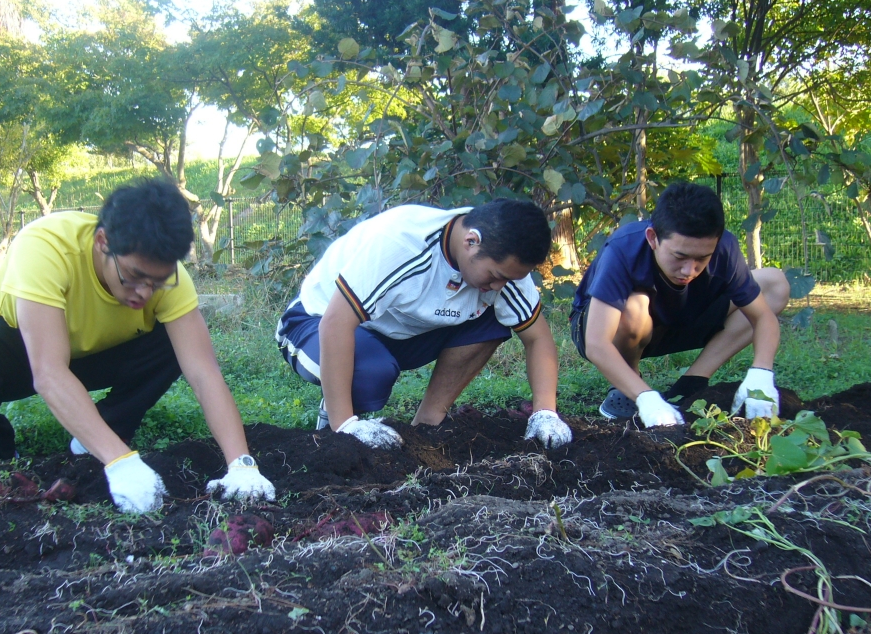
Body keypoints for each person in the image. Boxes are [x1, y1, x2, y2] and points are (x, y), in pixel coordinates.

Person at [0, 179, 274, 512]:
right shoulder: (45, 246)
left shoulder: (166, 277)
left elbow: (203, 373)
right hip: (24, 350)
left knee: (177, 341)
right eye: (135, 277)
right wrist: (121, 463)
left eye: (158, 282)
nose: (145, 292)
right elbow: (48, 372)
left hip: (101, 355)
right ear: (103, 241)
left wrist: (241, 464)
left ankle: (101, 432)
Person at [275, 199, 574, 449]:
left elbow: (538, 338)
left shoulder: (503, 264)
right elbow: (336, 323)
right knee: (369, 374)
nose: (499, 286)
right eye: (495, 275)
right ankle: (334, 423)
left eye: (509, 279)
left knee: (495, 318)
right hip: (316, 323)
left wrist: (545, 412)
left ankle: (427, 427)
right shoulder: (402, 243)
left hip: (398, 332)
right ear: (471, 241)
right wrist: (345, 426)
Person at [569, 181, 790, 428]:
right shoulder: (623, 249)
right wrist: (647, 398)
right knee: (634, 306)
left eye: (702, 258)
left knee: (775, 284)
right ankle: (629, 386)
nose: (689, 270)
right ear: (653, 238)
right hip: (616, 328)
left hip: (683, 316)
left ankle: (690, 384)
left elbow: (762, 317)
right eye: (679, 256)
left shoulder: (724, 248)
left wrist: (761, 371)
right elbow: (597, 344)